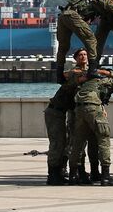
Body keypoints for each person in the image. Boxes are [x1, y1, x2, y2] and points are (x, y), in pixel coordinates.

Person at [69, 68, 113, 186]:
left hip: (79, 110)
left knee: (78, 143)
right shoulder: (103, 82)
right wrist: (109, 73)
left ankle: (72, 175)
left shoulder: (83, 84)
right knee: (103, 140)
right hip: (94, 109)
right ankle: (106, 176)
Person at [55, 0, 113, 83]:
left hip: (63, 16)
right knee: (91, 39)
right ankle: (92, 70)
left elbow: (84, 13)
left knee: (63, 47)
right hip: (72, 15)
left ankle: (59, 75)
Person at [44, 48, 90, 185]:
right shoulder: (73, 74)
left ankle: (59, 172)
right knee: (57, 144)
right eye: (80, 55)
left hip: (62, 112)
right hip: (55, 111)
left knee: (64, 143)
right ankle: (52, 175)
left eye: (85, 54)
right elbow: (80, 77)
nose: (83, 57)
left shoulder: (82, 73)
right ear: (75, 58)